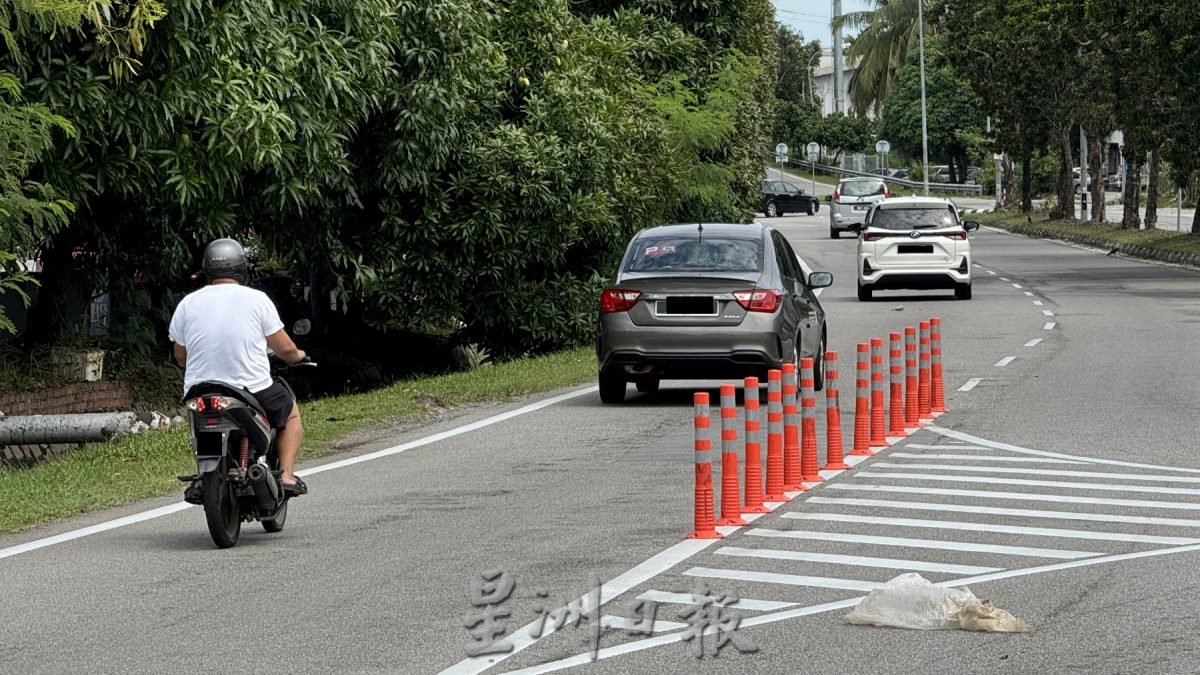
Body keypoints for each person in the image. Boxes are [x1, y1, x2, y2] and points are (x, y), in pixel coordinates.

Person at [169, 238, 309, 502]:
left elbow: (180, 356)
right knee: (290, 415)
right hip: (250, 389)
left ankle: (204, 473)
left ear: (208, 271)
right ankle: (287, 476)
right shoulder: (256, 299)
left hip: (200, 391)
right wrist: (297, 356)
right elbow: (285, 349)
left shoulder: (187, 303)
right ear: (241, 269)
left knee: (203, 426)